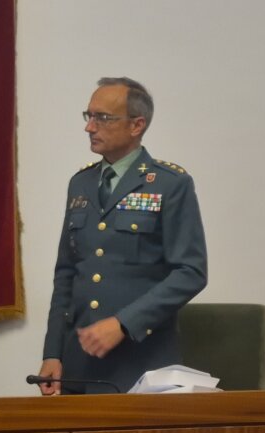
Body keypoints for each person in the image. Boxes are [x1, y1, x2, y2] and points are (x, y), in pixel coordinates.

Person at [38, 78, 207, 394]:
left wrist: (124, 323)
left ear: (136, 125)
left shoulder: (169, 184)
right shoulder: (81, 183)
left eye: (102, 118)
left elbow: (190, 272)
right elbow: (66, 274)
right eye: (88, 116)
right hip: (79, 364)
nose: (89, 127)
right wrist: (53, 353)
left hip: (141, 363)